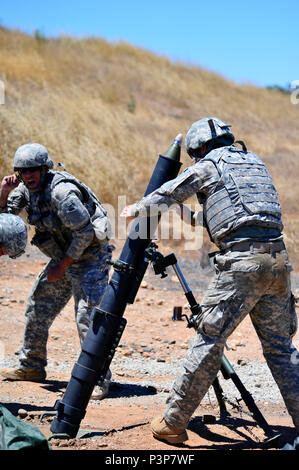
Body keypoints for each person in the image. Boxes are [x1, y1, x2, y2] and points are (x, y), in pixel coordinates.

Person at [121, 117, 299, 444]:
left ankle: (172, 422)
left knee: (209, 340)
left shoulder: (208, 164)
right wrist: (185, 216)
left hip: (242, 266)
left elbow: (170, 191)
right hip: (278, 261)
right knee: (280, 349)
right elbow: (232, 212)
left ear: (200, 148)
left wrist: (135, 209)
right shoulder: (253, 163)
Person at [0, 143, 113, 399]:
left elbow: (85, 232)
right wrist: (4, 193)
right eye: (22, 171)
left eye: (33, 171)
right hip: (63, 256)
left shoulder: (62, 192)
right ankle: (31, 366)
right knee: (37, 305)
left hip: (89, 257)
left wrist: (62, 267)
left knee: (88, 318)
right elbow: (5, 221)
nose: (28, 176)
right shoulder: (24, 190)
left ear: (44, 168)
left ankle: (98, 380)